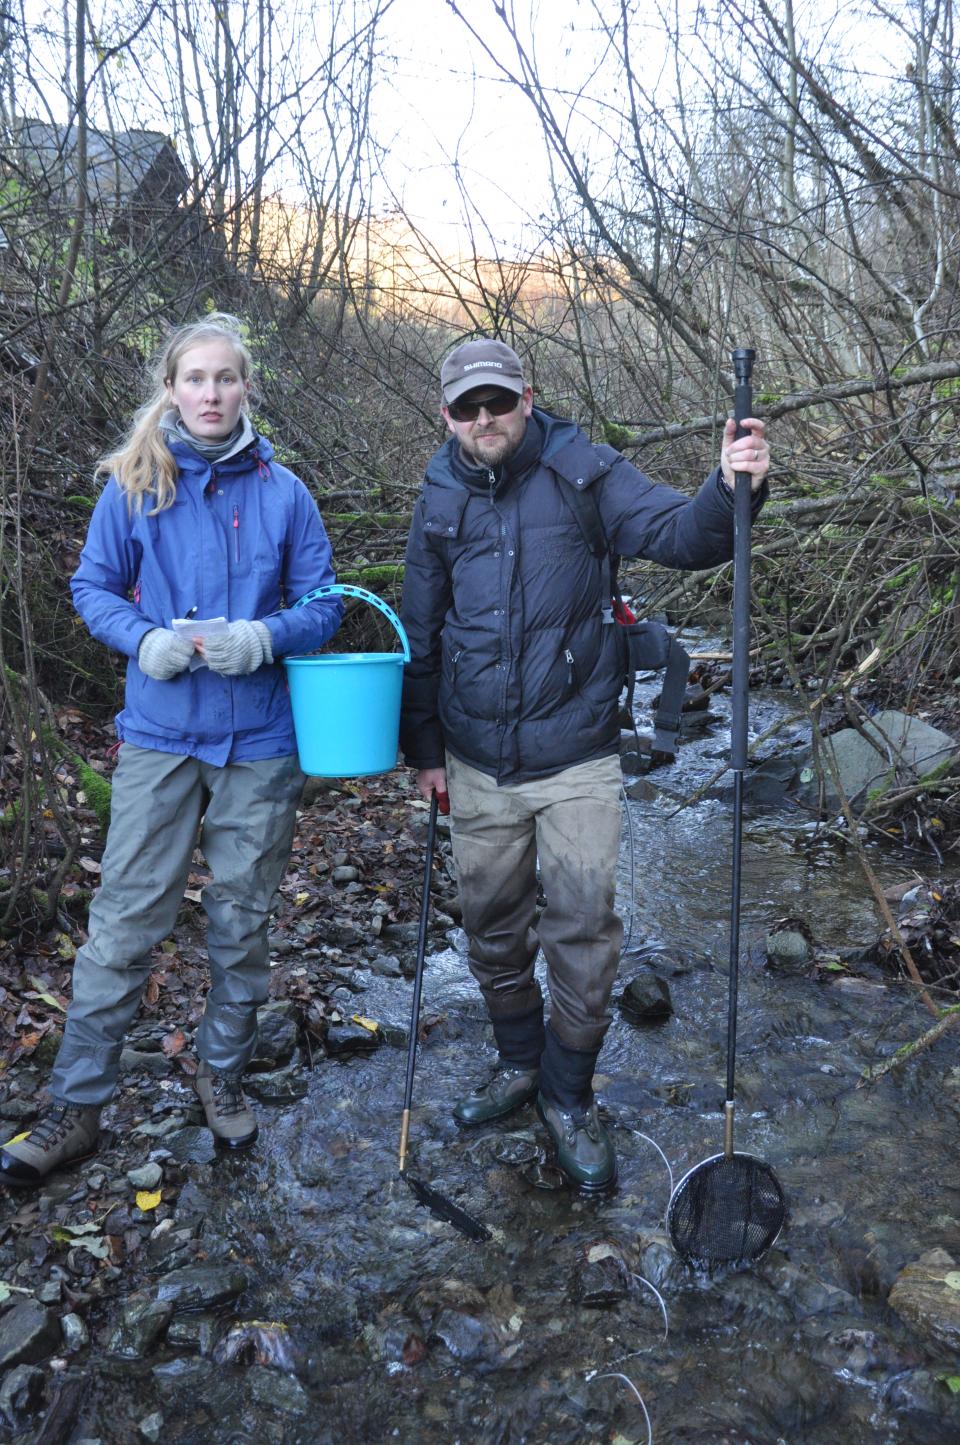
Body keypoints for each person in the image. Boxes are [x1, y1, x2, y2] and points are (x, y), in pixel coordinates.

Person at [400, 337, 769, 1191]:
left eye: (498, 401)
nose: (484, 419)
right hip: (475, 756)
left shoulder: (584, 470)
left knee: (582, 932)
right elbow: (419, 630)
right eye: (467, 407)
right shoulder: (439, 491)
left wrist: (730, 483)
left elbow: (684, 535)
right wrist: (423, 750)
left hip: (576, 757)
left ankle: (569, 1094)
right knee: (490, 930)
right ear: (445, 413)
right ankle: (518, 1065)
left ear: (527, 397)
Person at [0, 314, 341, 1186]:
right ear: (172, 388)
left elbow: (325, 603)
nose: (212, 394)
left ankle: (220, 1079)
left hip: (261, 741)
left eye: (226, 378)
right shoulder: (133, 484)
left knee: (242, 922)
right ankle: (76, 1112)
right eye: (196, 379)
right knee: (122, 928)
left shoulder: (286, 494)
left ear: (247, 387)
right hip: (159, 736)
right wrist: (140, 638)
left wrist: (264, 638)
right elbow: (91, 587)